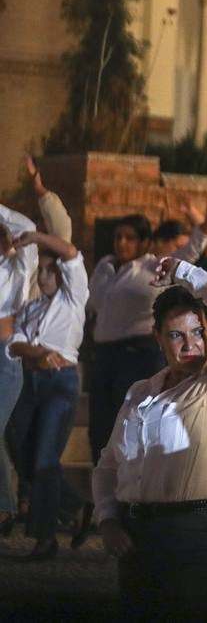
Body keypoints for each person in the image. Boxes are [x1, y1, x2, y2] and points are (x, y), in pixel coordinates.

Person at [92, 255, 207, 616]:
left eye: (197, 332)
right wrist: (107, 519)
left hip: (196, 533)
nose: (190, 346)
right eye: (176, 336)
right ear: (158, 339)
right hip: (136, 537)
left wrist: (184, 271)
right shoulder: (140, 392)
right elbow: (108, 464)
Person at [88, 207, 207, 467]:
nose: (122, 243)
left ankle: (130, 491)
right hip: (103, 354)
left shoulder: (154, 266)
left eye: (130, 237)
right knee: (99, 425)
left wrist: (205, 222)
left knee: (126, 421)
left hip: (137, 353)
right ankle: (101, 493)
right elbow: (92, 304)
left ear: (144, 242)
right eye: (118, 237)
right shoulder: (105, 266)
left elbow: (190, 252)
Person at [6, 228, 88, 559]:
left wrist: (37, 238)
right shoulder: (32, 308)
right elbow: (16, 343)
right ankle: (75, 507)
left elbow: (70, 251)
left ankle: (45, 539)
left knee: (44, 457)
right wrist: (38, 352)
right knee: (18, 445)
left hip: (60, 382)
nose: (43, 275)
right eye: (40, 269)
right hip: (32, 383)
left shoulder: (74, 298)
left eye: (49, 270)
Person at [0, 201, 38, 538]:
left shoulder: (18, 269)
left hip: (7, 359)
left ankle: (7, 507)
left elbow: (27, 227)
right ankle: (9, 505)